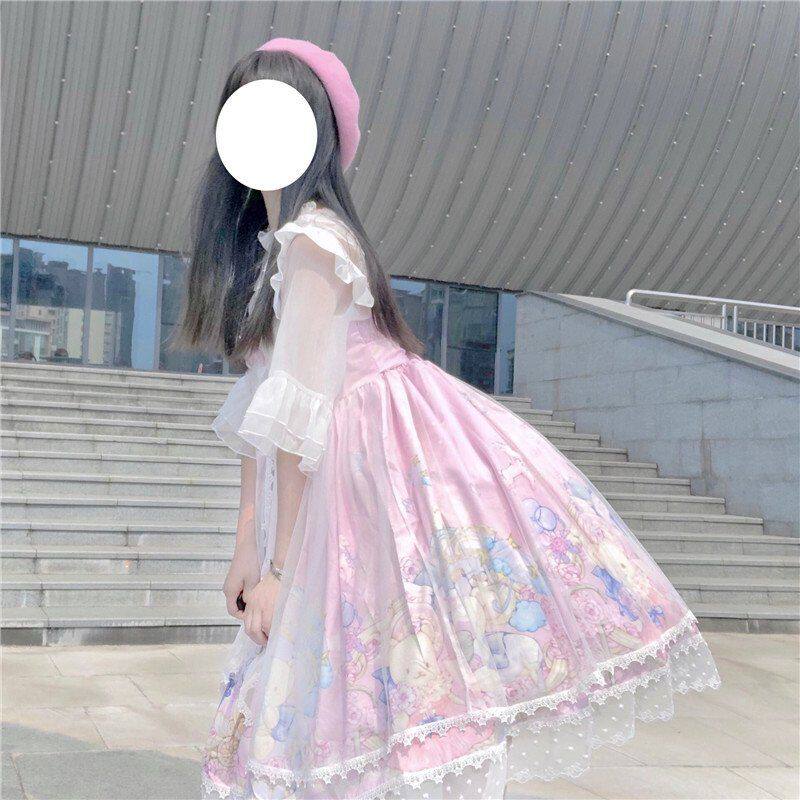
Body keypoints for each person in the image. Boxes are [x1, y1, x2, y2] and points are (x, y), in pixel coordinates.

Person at [182, 38, 720, 800]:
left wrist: (276, 571)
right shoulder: (272, 255)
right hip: (338, 478)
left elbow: (298, 426)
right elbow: (263, 414)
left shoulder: (314, 243)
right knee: (351, 679)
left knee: (369, 671)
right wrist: (247, 545)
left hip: (363, 472)